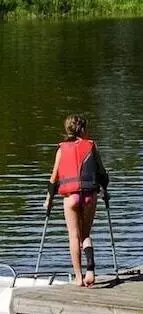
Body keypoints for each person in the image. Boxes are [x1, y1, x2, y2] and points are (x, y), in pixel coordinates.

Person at [45, 114, 109, 287]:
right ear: (83, 129)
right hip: (89, 196)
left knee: (74, 236)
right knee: (85, 235)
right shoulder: (92, 146)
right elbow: (102, 174)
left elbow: (54, 177)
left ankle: (79, 278)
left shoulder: (61, 149)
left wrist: (48, 199)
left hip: (71, 198)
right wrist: (105, 190)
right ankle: (91, 271)